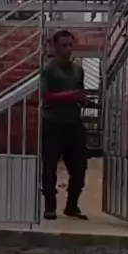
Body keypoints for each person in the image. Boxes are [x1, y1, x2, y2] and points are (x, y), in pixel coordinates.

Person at [40, 30, 89, 221]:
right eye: (63, 45)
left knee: (79, 167)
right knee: (49, 167)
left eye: (70, 45)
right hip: (52, 123)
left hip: (73, 124)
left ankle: (72, 206)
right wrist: (71, 95)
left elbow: (79, 92)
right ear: (55, 47)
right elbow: (46, 96)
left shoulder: (78, 70)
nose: (68, 49)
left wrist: (83, 99)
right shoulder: (48, 70)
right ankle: (49, 207)